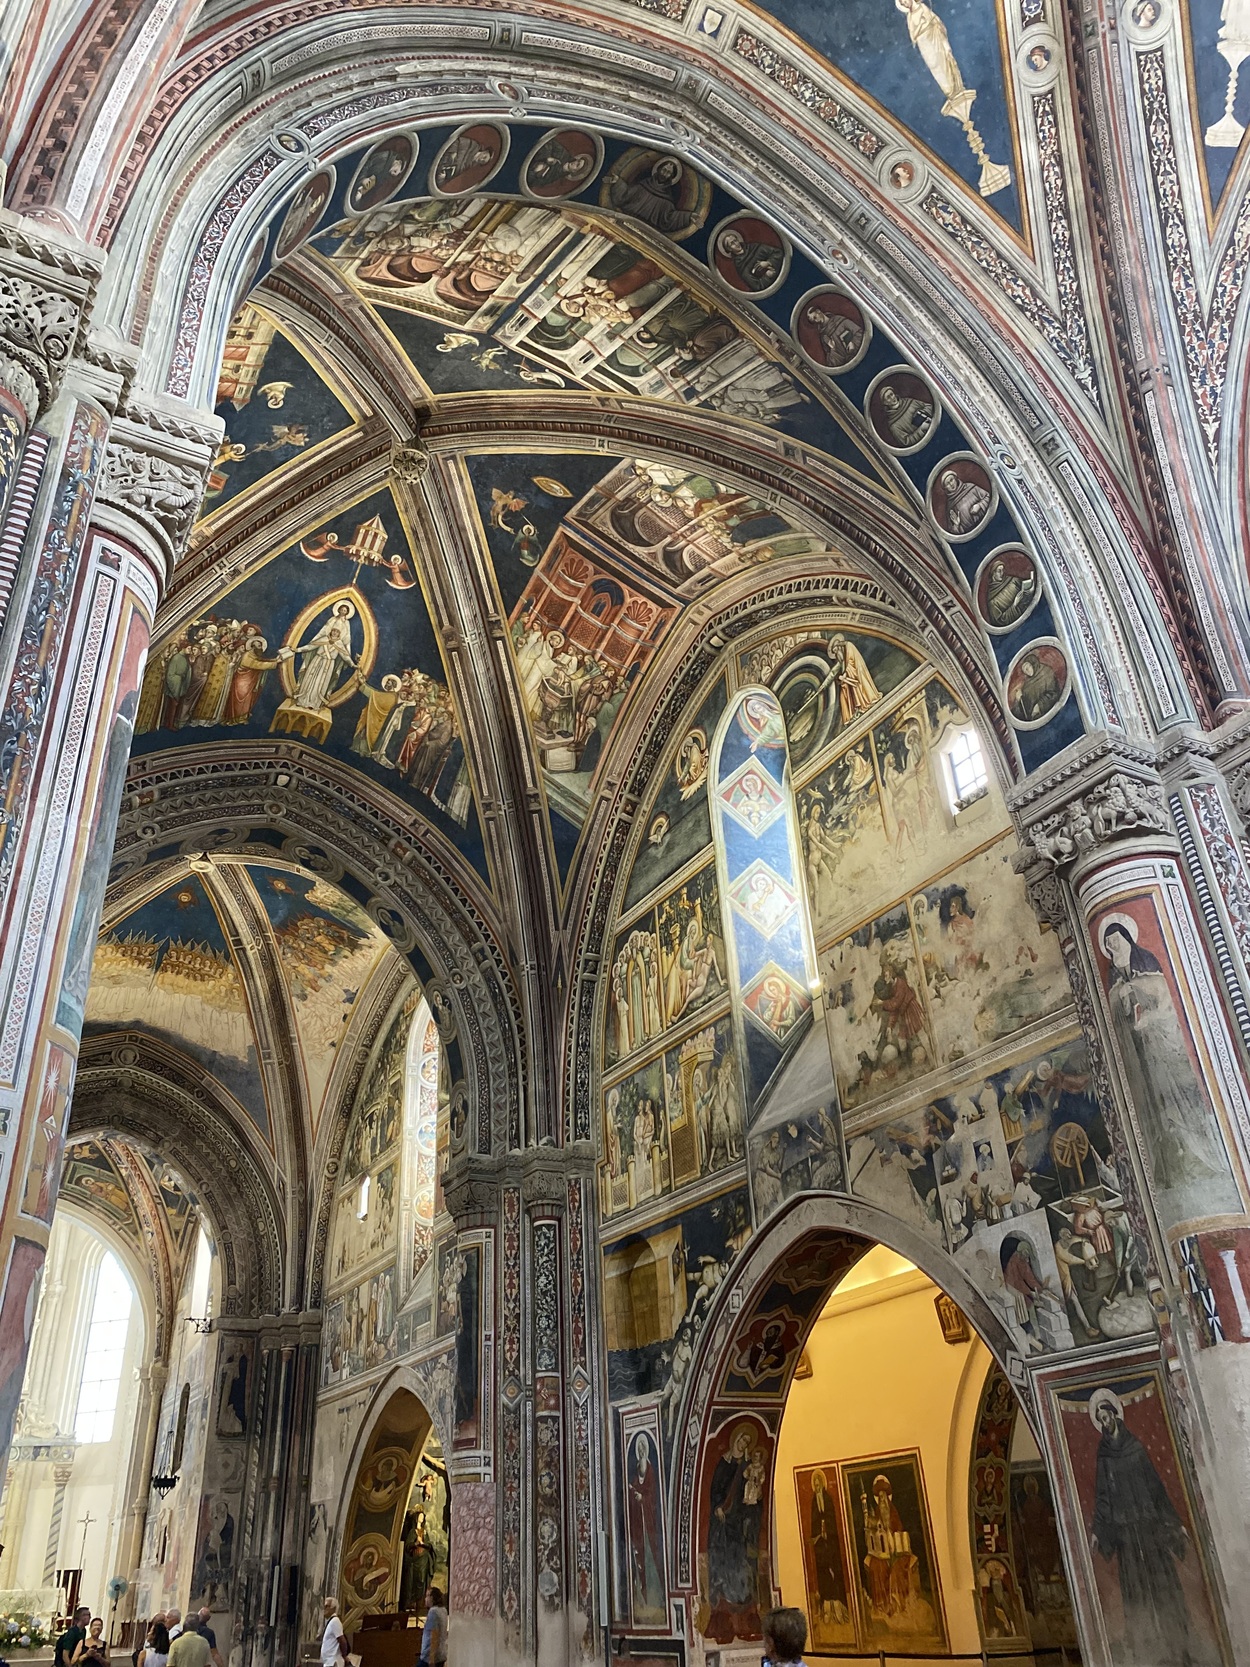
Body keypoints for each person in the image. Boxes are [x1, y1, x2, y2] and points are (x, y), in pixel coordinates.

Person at [419, 1585, 448, 1667]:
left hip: (429, 1656)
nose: (425, 1599)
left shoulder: (433, 1612)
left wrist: (431, 1658)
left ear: (432, 1598)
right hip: (441, 1653)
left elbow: (434, 1634)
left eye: (427, 1596)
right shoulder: (443, 1610)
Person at [319, 1599, 348, 1667]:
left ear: (334, 1608)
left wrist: (344, 1656)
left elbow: (342, 1640)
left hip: (333, 1661)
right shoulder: (331, 1621)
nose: (324, 1609)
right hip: (329, 1662)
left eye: (327, 1606)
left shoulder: (335, 1621)